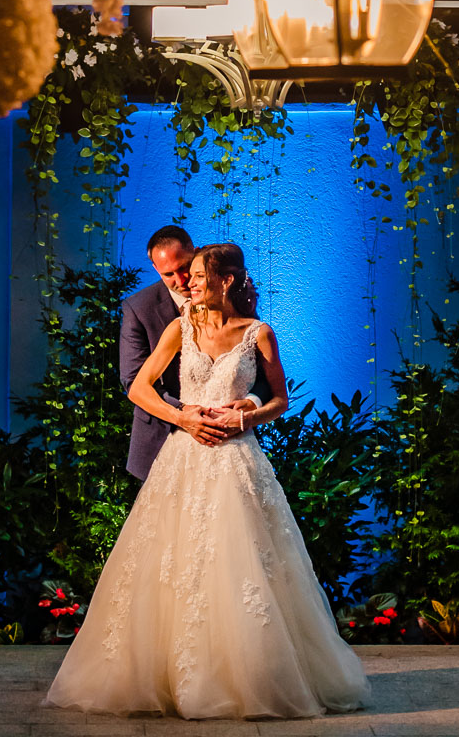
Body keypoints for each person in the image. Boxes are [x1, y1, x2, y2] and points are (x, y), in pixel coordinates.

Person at [46, 242, 369, 720]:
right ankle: (167, 676)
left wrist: (251, 411)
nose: (188, 284)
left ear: (228, 281)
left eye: (197, 276)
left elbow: (280, 398)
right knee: (173, 565)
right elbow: (138, 386)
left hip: (238, 461)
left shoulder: (258, 333)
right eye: (189, 276)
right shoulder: (182, 328)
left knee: (239, 567)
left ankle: (247, 677)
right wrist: (183, 417)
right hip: (185, 458)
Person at [119, 224, 267, 478]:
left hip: (228, 443)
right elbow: (133, 381)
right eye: (168, 274)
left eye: (184, 268)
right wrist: (184, 415)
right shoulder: (138, 308)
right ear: (155, 270)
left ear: (196, 254)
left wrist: (250, 404)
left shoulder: (232, 301)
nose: (181, 281)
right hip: (161, 438)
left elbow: (259, 368)